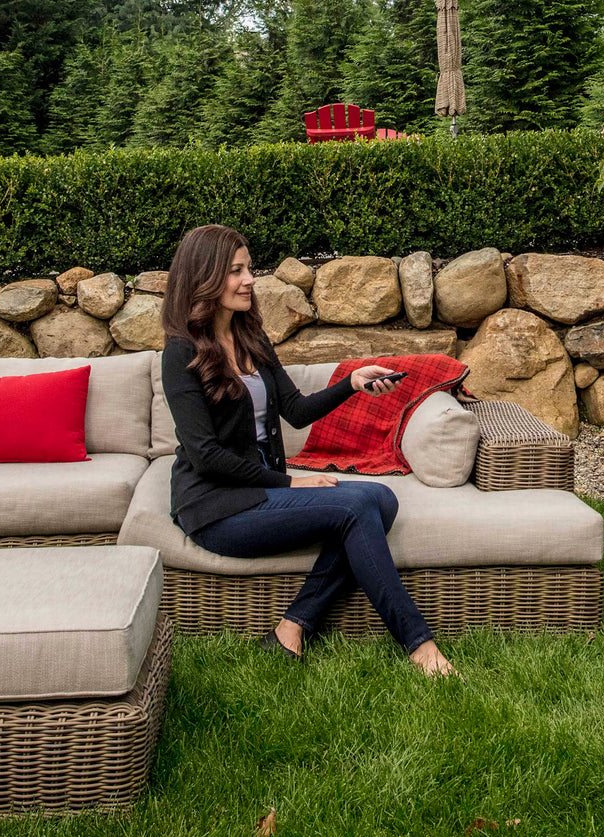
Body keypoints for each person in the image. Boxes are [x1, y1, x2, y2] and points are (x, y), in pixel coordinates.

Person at [160, 223, 455, 675]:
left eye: (248, 268)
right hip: (216, 504)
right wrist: (289, 481)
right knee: (359, 506)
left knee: (380, 499)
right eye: (236, 271)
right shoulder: (181, 354)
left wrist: (352, 384)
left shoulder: (250, 337)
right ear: (205, 277)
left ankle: (292, 627)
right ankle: (420, 647)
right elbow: (205, 456)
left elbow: (295, 409)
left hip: (261, 489)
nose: (250, 280)